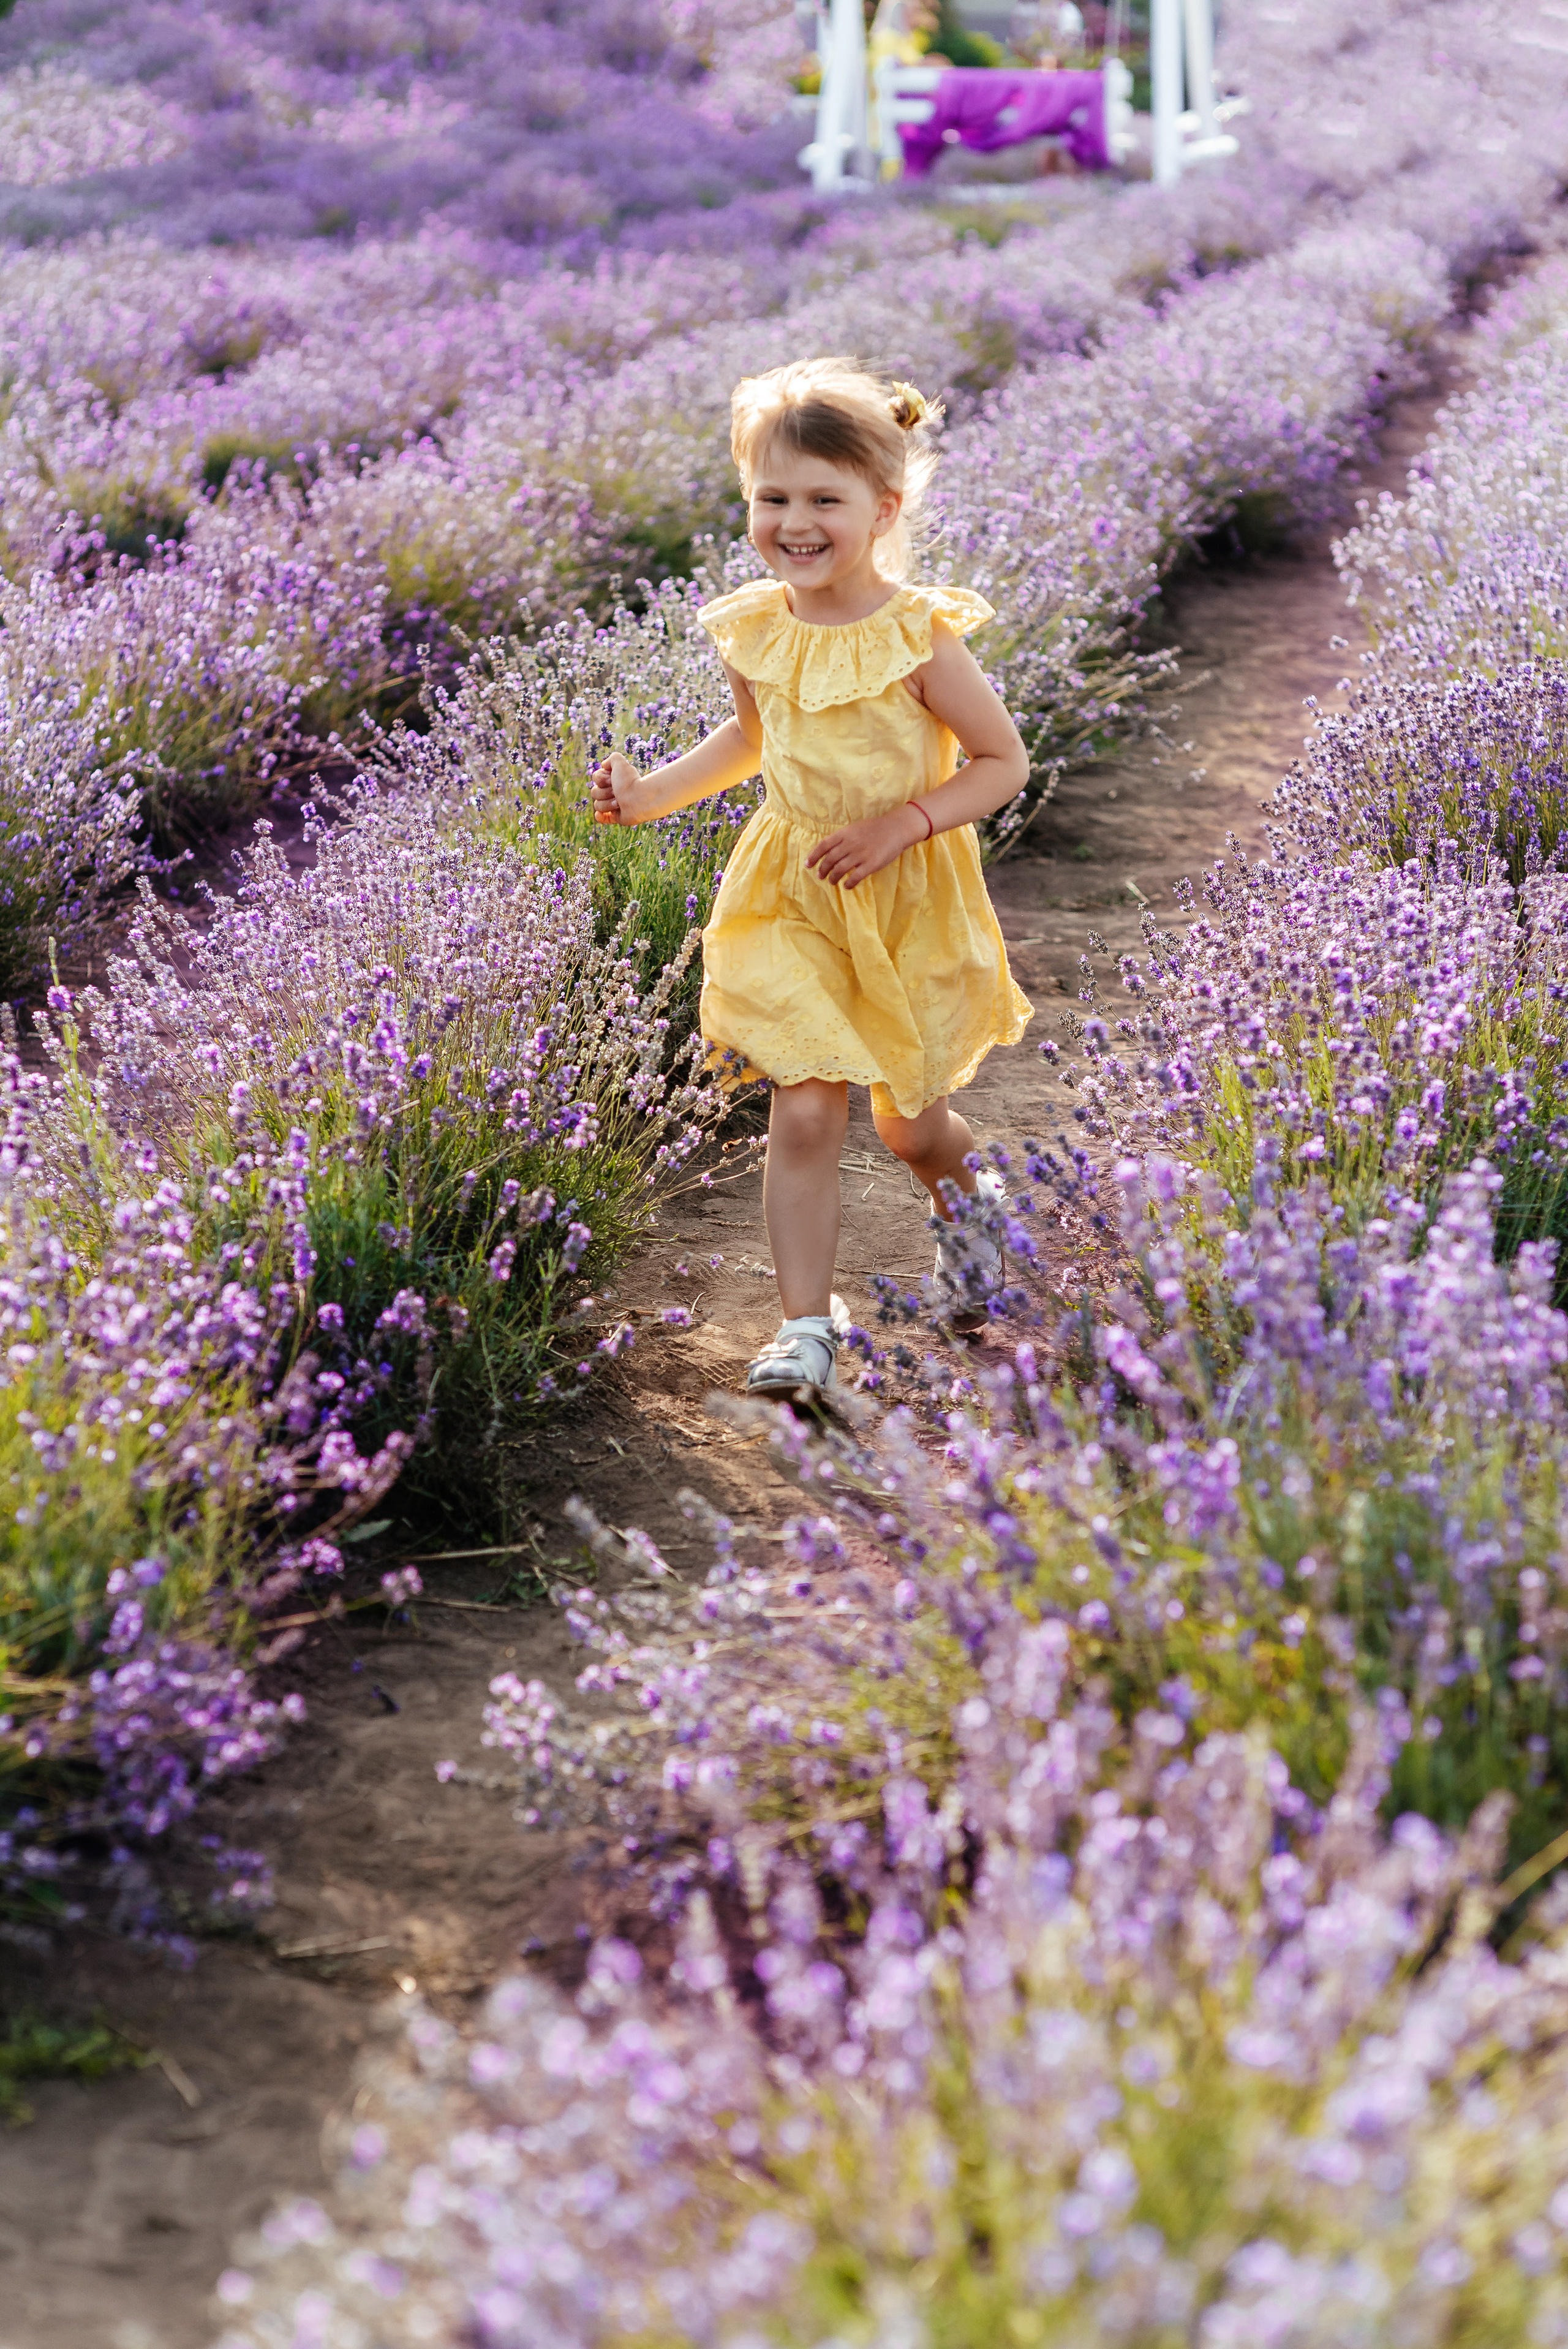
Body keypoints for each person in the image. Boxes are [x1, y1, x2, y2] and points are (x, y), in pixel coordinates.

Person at [590, 357, 1033, 1401]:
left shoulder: (918, 633)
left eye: (822, 499)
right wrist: (648, 793)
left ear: (881, 509)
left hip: (903, 890)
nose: (795, 520)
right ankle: (804, 1326)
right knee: (804, 1108)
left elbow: (1002, 764)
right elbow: (750, 740)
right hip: (791, 888)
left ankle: (969, 1202)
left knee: (910, 1127)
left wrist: (904, 824)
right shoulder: (756, 626)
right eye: (771, 497)